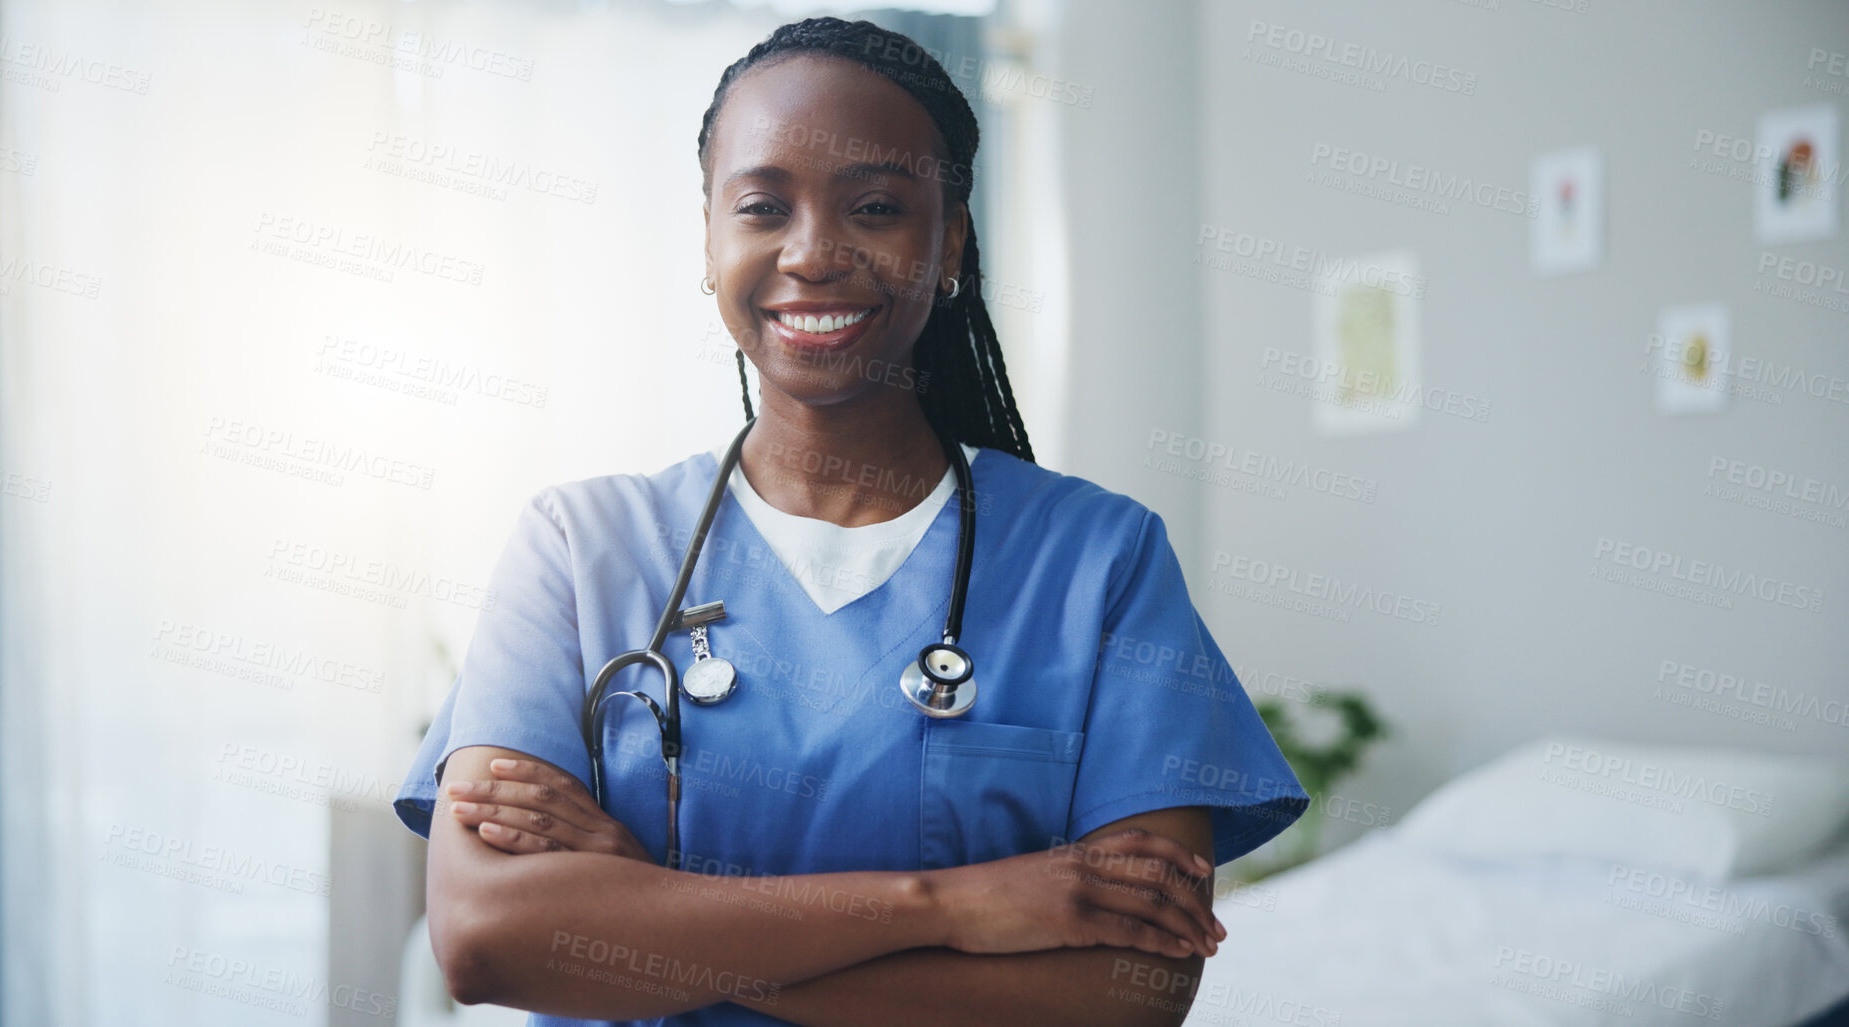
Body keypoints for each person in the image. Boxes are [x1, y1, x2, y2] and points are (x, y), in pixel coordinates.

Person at [391, 16, 1308, 1027]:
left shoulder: (1101, 561)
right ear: (709, 240)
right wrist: (954, 904)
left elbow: (1132, 992)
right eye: (761, 206)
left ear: (949, 240)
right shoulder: (578, 547)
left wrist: (646, 904)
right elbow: (486, 938)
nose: (813, 252)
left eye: (875, 206)